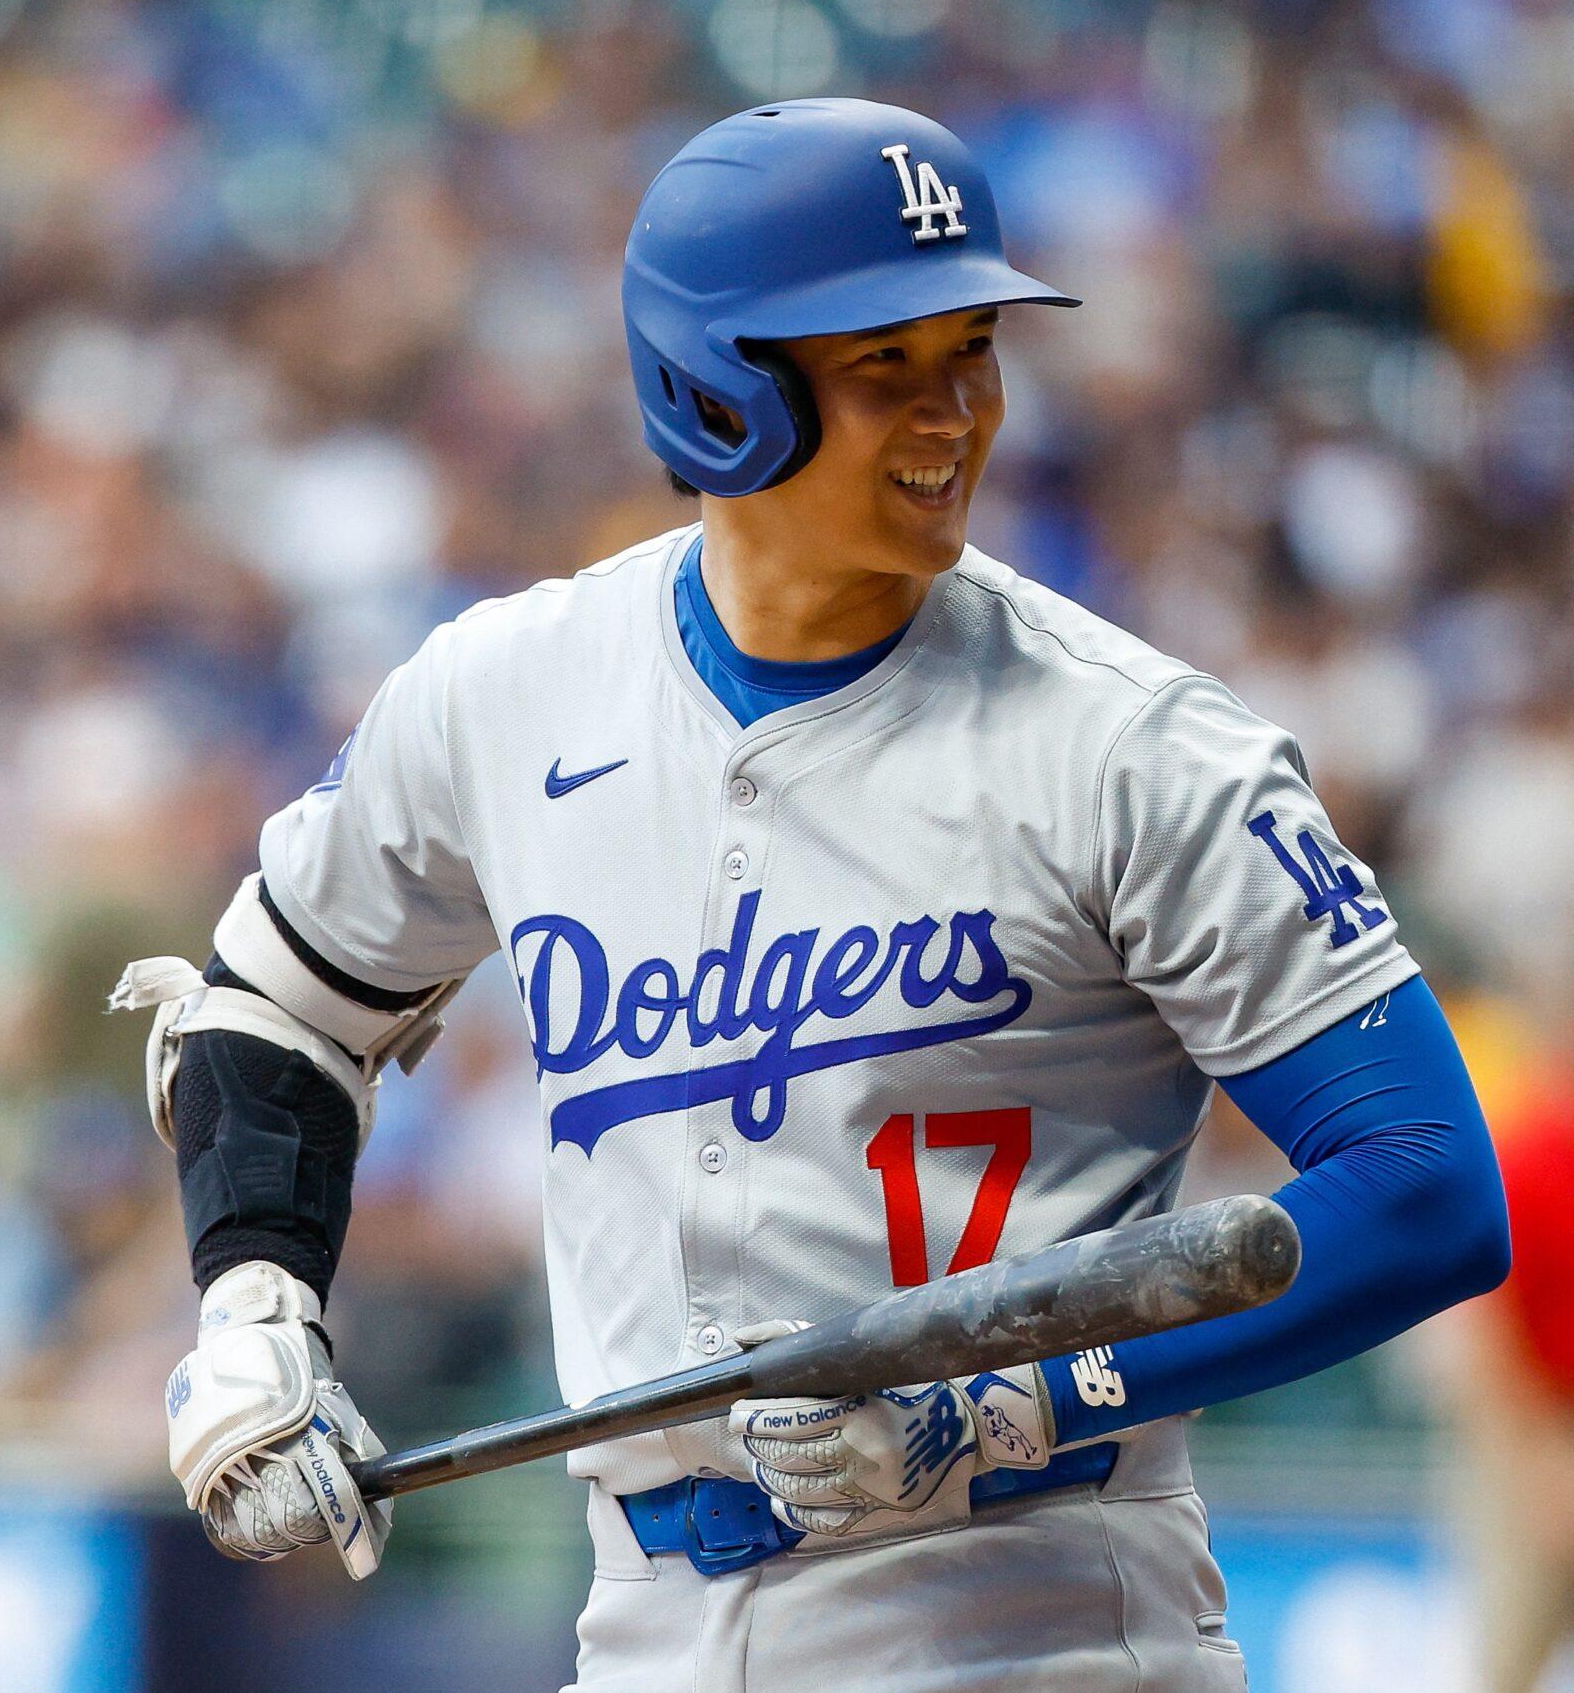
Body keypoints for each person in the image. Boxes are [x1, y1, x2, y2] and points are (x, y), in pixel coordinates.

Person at [113, 98, 1510, 1691]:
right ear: (719, 397)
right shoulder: (504, 692)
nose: (957, 414)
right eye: (885, 367)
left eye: (973, 346)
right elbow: (277, 999)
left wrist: (1018, 1401)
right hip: (643, 1630)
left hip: (1040, 1626)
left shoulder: (1135, 744)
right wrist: (257, 1309)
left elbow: (1426, 1187)